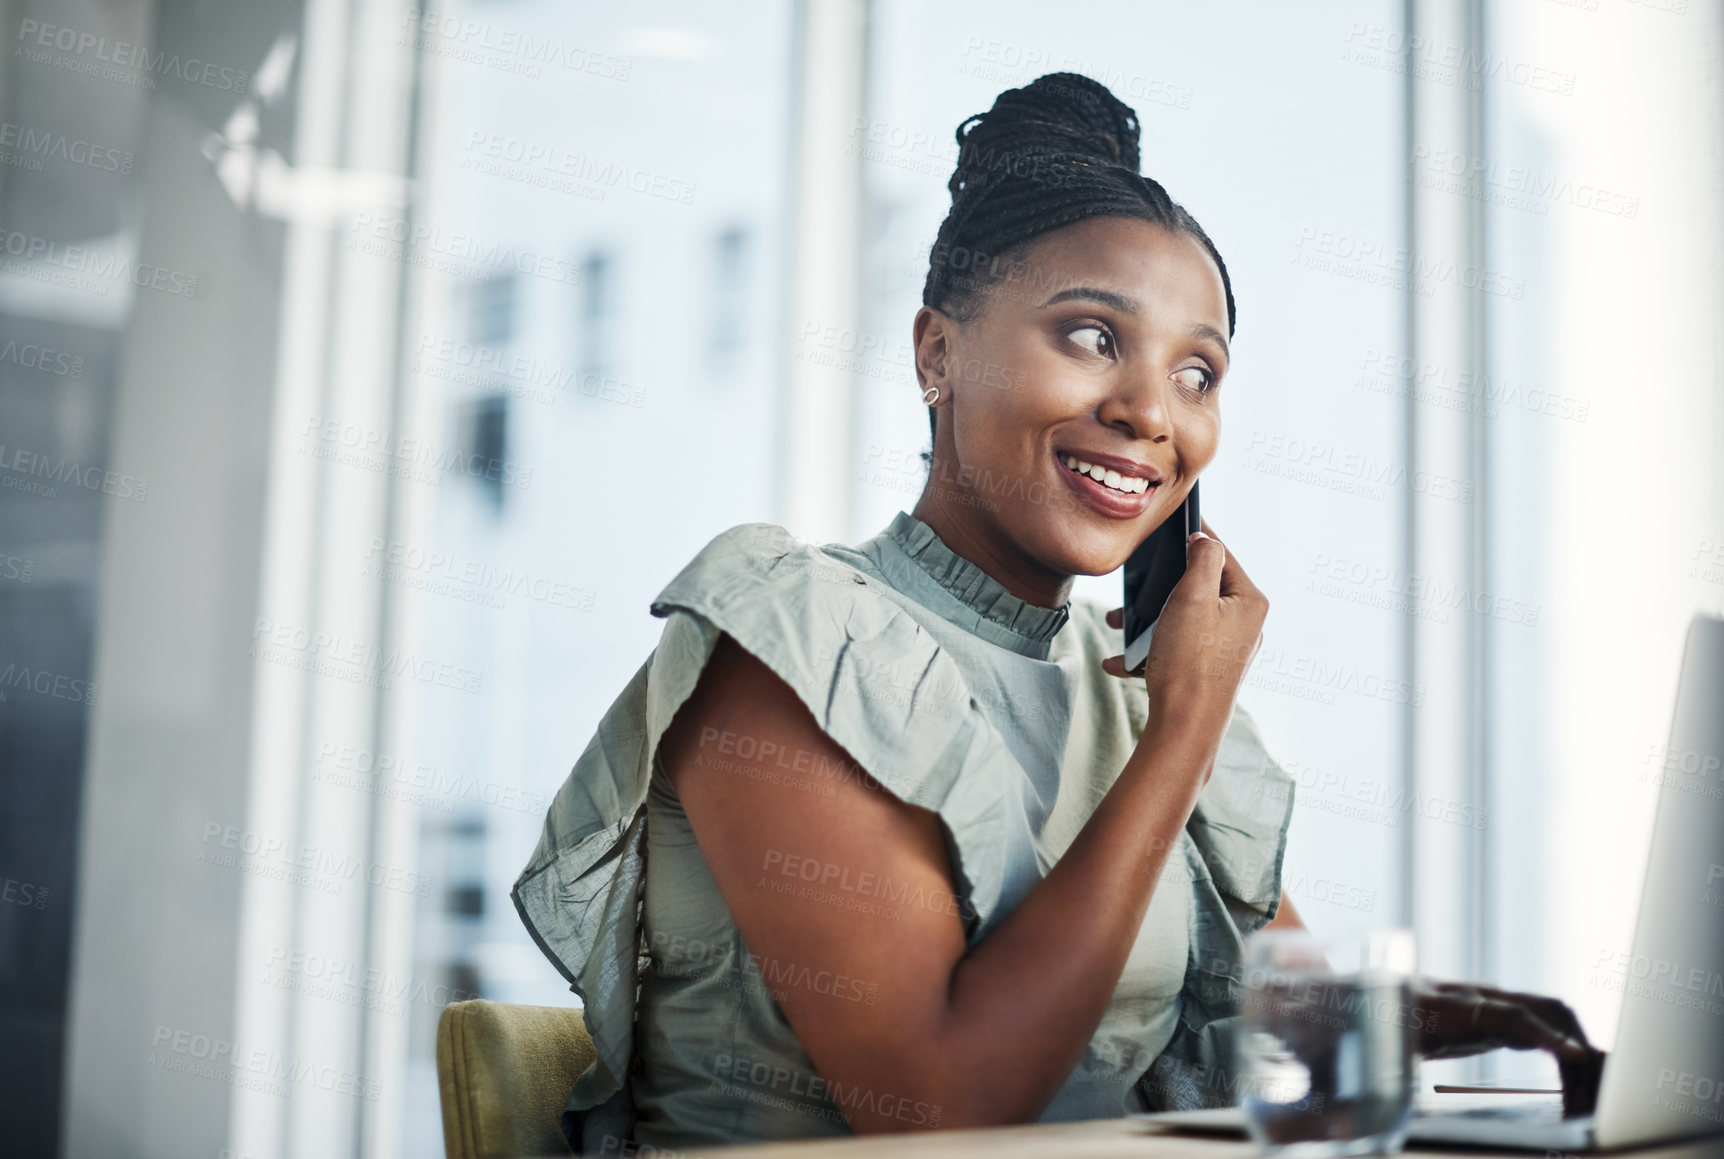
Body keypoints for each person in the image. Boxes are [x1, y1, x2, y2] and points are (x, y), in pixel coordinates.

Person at [513, 72, 1601, 1152]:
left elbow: (1287, 1030)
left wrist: (1477, 1024)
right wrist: (1183, 732)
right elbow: (945, 1111)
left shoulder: (1127, 684)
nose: (1145, 411)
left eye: (1195, 372)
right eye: (1090, 337)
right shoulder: (797, 638)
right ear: (935, 351)